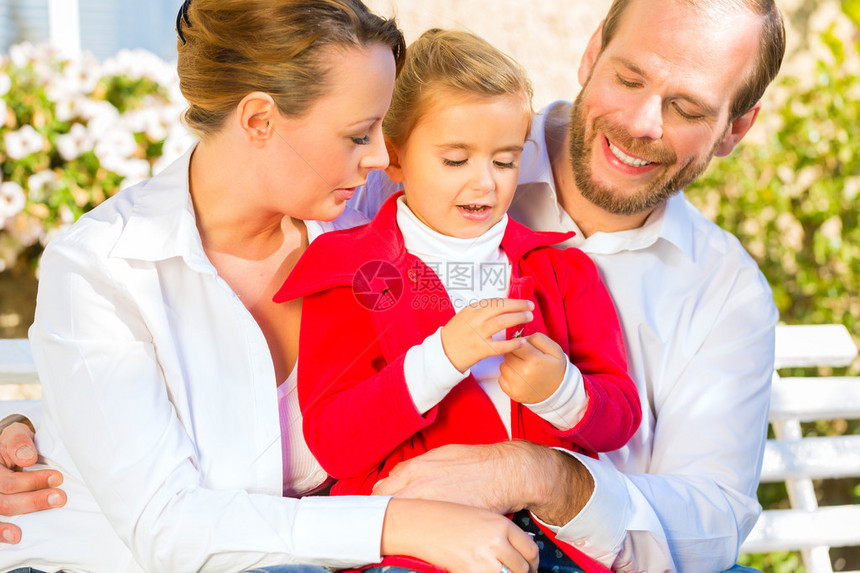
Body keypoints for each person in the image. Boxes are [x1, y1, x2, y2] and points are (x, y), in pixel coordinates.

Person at [2, 0, 787, 571]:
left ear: (737, 127)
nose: (382, 155)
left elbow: (711, 524)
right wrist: (401, 523)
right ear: (589, 54)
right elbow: (152, 411)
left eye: (686, 106)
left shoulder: (358, 205)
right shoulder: (367, 207)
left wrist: (539, 472)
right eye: (630, 77)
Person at [0, 1, 540, 572]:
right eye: (360, 134)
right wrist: (401, 524)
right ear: (259, 120)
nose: (383, 156)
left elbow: (503, 134)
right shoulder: (104, 267)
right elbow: (171, 531)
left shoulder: (373, 225)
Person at [277, 28, 640, 573]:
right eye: (455, 160)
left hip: (554, 547)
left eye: (504, 160)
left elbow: (620, 415)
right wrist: (442, 357)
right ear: (394, 157)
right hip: (416, 551)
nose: (485, 184)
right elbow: (334, 444)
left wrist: (562, 392)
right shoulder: (349, 271)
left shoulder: (563, 270)